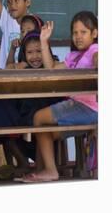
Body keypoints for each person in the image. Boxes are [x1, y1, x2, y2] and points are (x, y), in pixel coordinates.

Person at [21, 11, 98, 183]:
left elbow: (98, 58)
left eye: (83, 32)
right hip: (77, 107)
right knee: (46, 131)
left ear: (95, 33)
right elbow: (52, 68)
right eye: (75, 32)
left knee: (38, 118)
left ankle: (49, 170)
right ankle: (47, 170)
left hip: (88, 108)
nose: (78, 37)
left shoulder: (95, 50)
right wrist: (43, 41)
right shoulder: (74, 56)